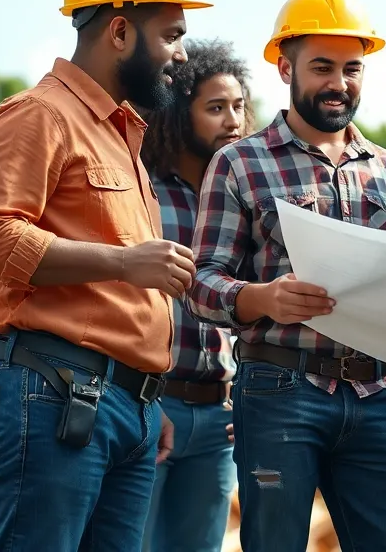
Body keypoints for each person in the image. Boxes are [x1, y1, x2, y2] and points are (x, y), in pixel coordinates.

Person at [0, 0, 207, 550]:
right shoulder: (38, 116)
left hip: (125, 410)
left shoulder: (122, 134)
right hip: (51, 395)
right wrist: (125, 262)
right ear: (119, 32)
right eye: (171, 35)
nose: (180, 53)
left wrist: (146, 401)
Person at [187, 0, 386, 552]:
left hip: (376, 396)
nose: (339, 84)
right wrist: (263, 298)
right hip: (278, 389)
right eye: (322, 67)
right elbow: (200, 282)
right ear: (284, 67)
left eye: (352, 69)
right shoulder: (239, 163)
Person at [139, 38, 256, 552]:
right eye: (215, 108)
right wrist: (143, 399)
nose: (232, 120)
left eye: (238, 107)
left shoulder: (243, 196)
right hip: (149, 406)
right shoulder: (145, 192)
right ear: (178, 115)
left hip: (220, 420)